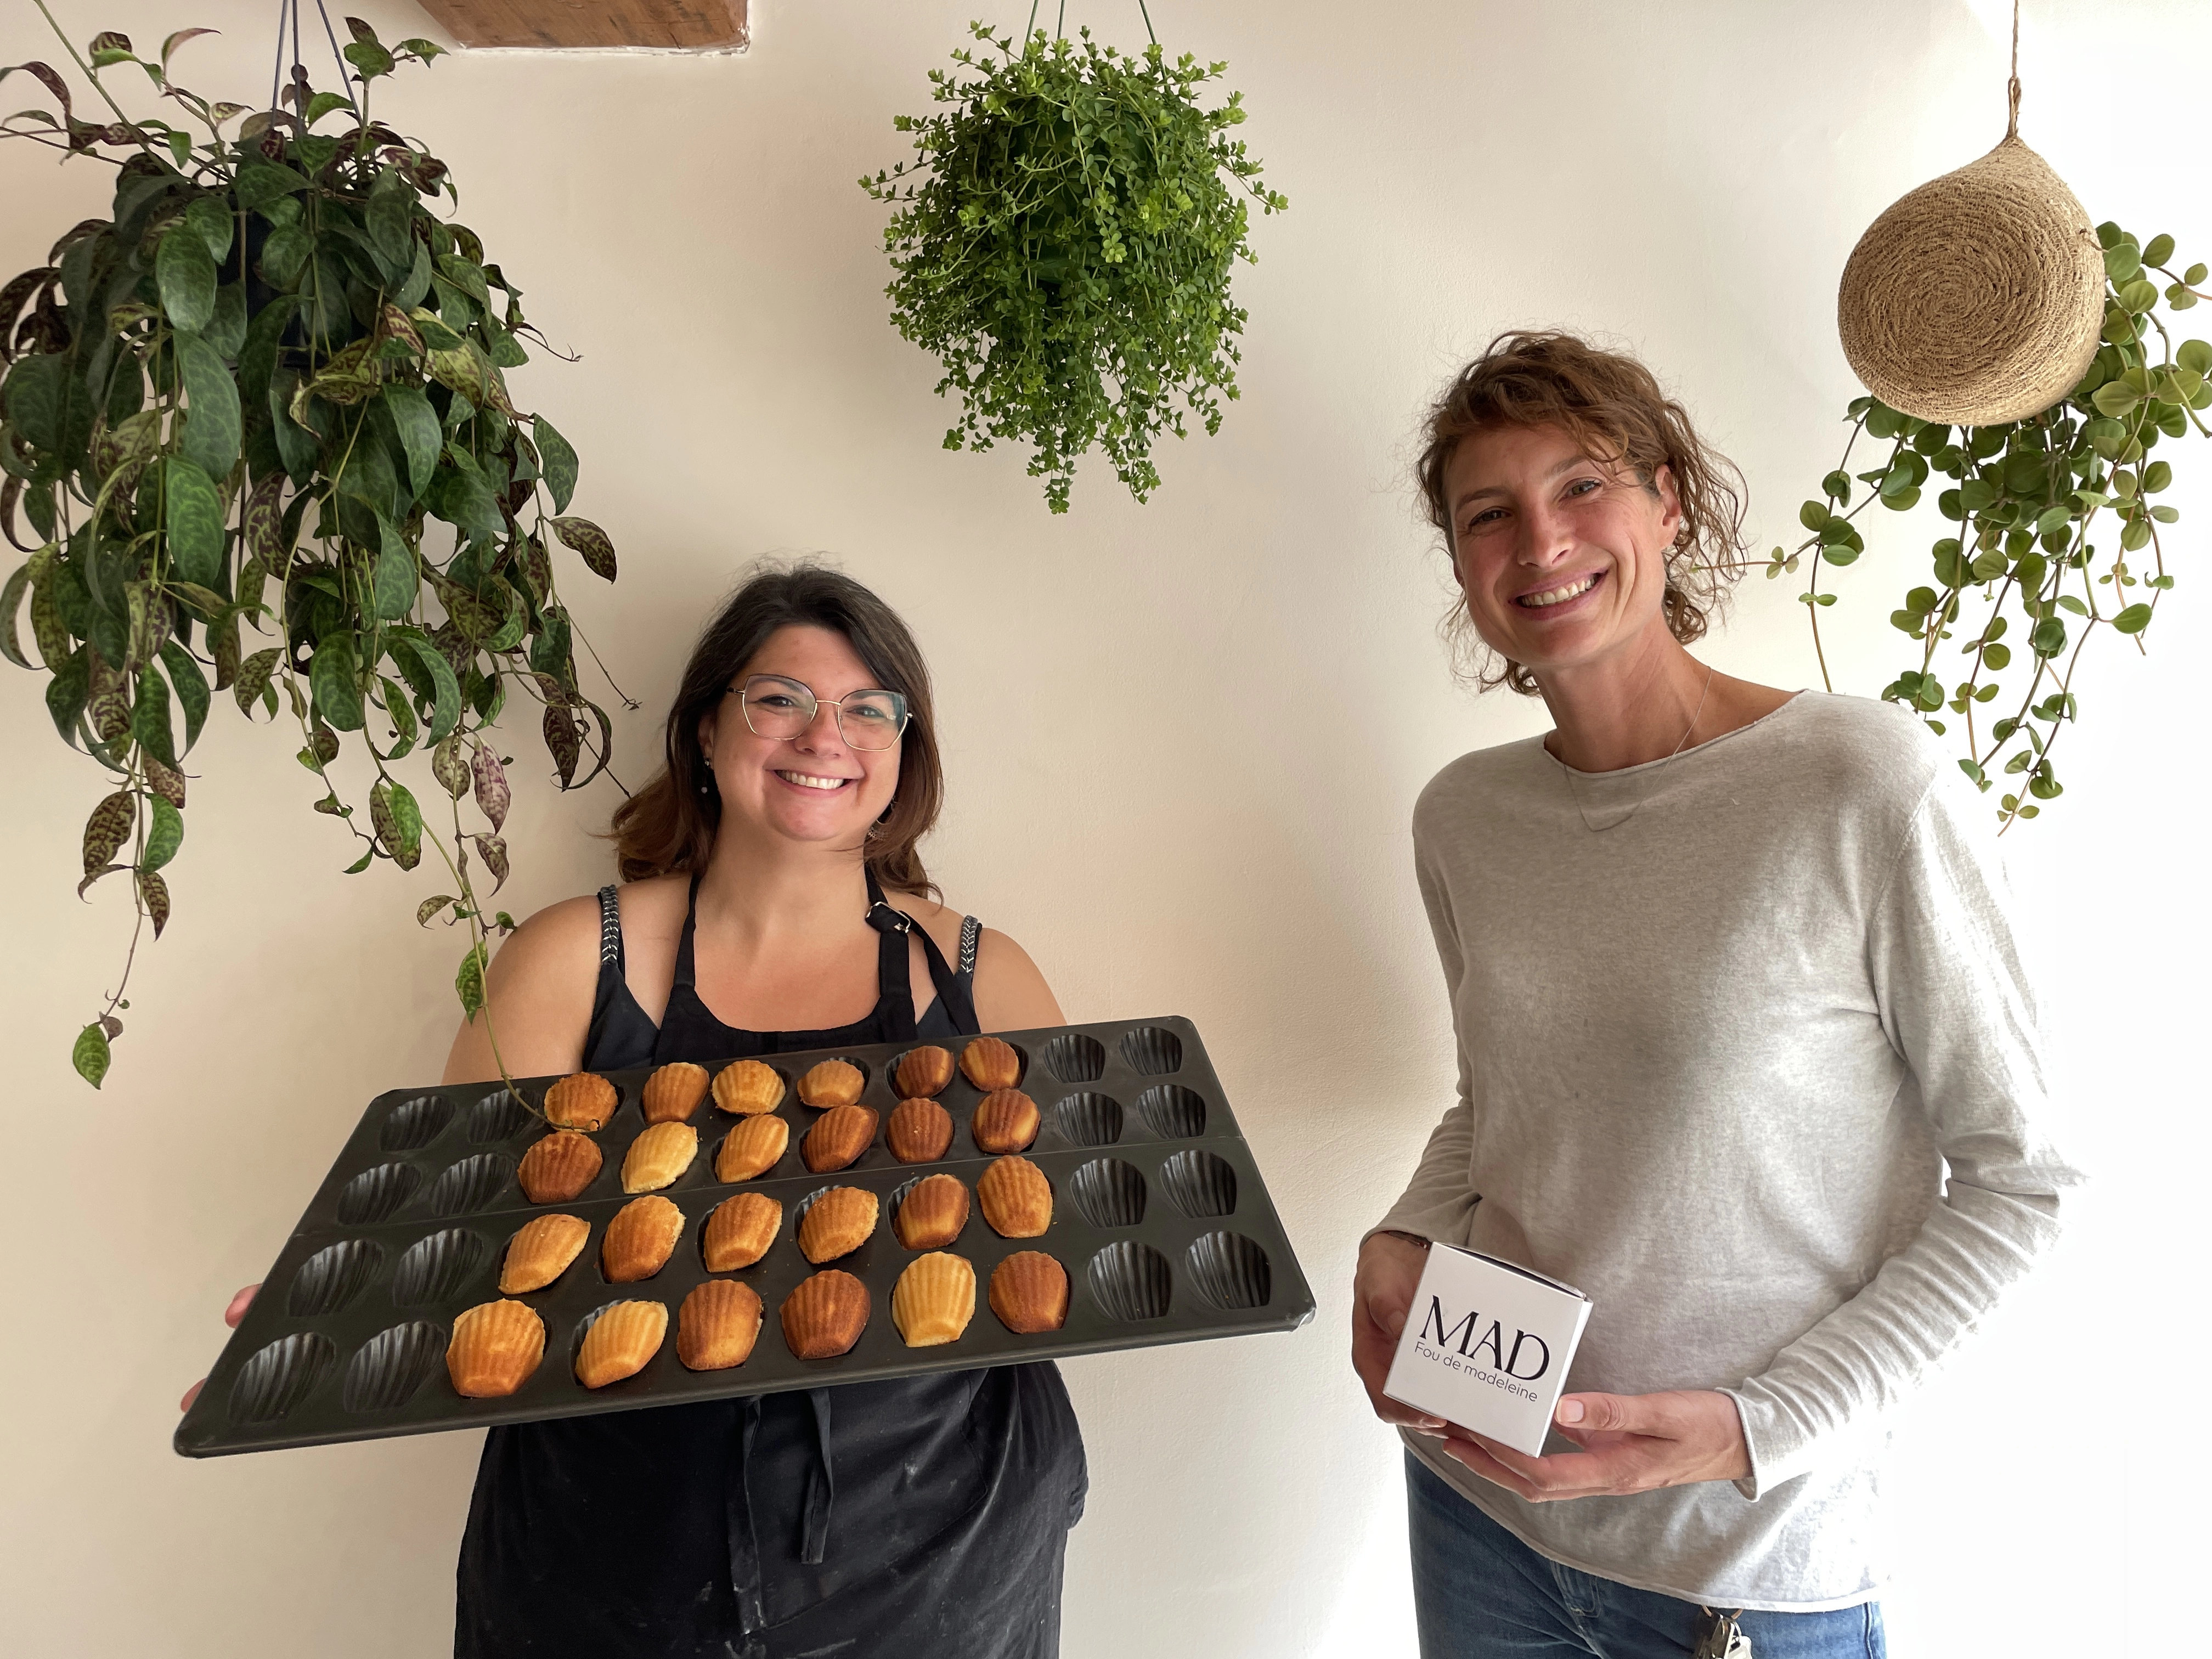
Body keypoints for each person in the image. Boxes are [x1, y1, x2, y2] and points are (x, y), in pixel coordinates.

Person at [187, 562, 1087, 1658]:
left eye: (868, 709)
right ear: (707, 732)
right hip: (612, 1552)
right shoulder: (577, 960)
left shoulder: (981, 978)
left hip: (944, 1543)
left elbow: (1059, 1228)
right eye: (779, 699)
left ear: (905, 753)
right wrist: (327, 1322)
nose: (825, 737)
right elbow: (448, 1216)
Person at [1347, 332, 2081, 1658]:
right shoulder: (1465, 818)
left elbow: (2026, 1182)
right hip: (1475, 1503)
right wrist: (1406, 1230)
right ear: (1460, 561)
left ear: (1670, 499)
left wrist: (1763, 1427)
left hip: (1741, 1557)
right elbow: (1498, 1101)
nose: (1540, 543)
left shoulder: (1861, 783)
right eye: (1489, 515)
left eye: (1583, 488)